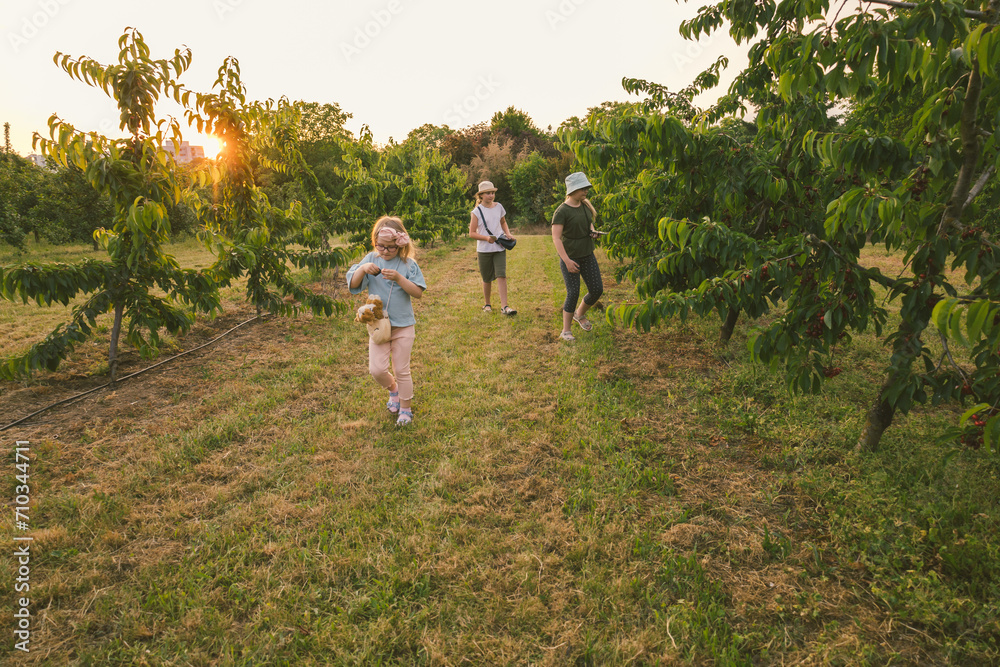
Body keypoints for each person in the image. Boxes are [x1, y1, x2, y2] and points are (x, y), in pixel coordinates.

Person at [346, 216, 427, 426]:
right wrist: (363, 269)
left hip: (403, 325)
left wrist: (400, 279)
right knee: (377, 369)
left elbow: (418, 292)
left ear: (400, 245)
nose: (384, 251)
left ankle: (406, 408)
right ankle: (394, 390)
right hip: (378, 325)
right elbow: (353, 285)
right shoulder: (371, 259)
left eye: (390, 247)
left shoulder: (408, 264)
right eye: (380, 246)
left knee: (402, 369)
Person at [551, 172, 604, 341]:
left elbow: (588, 223)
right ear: (572, 189)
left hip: (587, 254)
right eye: (582, 188)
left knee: (597, 290)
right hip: (571, 257)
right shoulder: (562, 211)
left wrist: (592, 232)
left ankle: (579, 314)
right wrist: (566, 261)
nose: (586, 191)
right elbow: (556, 238)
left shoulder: (586, 206)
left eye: (586, 188)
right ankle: (566, 331)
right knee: (573, 292)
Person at [469, 180, 517, 315]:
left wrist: (507, 233)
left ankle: (505, 307)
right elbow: (472, 233)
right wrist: (486, 238)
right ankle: (487, 304)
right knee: (487, 278)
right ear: (481, 195)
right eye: (488, 193)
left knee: (501, 275)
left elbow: (503, 222)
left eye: (492, 193)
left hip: (499, 248)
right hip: (484, 249)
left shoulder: (499, 207)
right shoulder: (476, 212)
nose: (491, 196)